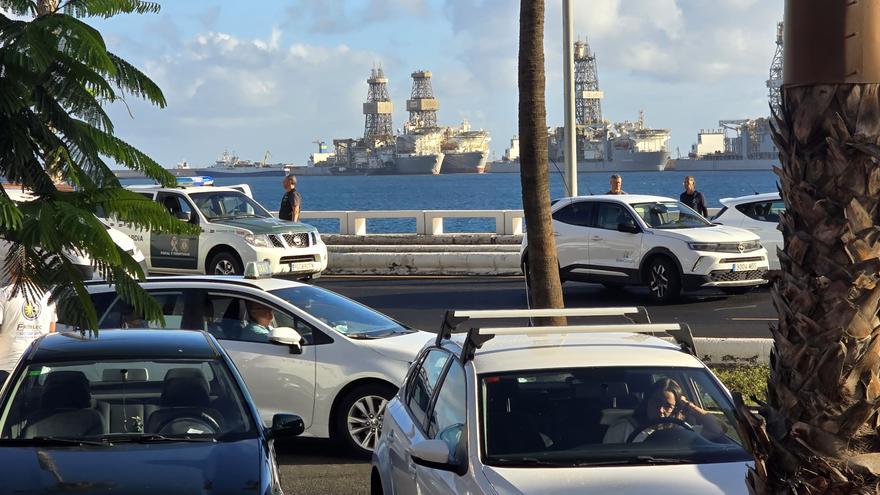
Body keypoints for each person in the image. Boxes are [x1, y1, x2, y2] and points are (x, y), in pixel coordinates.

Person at [603, 378, 724, 443]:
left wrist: (689, 405)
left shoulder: (683, 431)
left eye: (667, 406)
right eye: (656, 402)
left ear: (675, 409)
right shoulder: (622, 428)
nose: (660, 410)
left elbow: (719, 429)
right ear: (646, 402)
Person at [0, 285, 57, 384]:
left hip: (8, 367)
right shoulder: (46, 295)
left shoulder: (4, 293)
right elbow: (51, 331)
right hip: (38, 365)